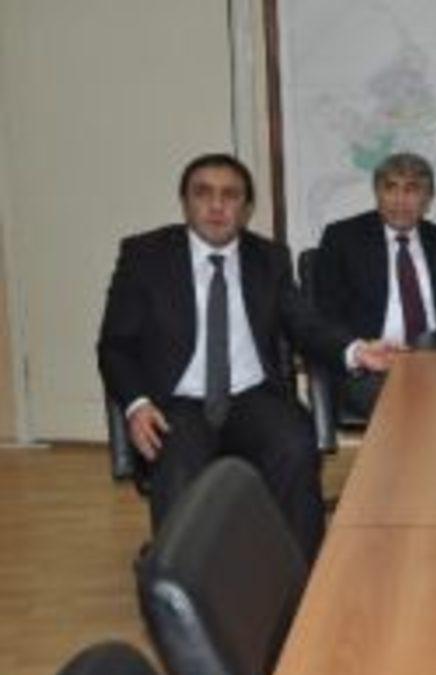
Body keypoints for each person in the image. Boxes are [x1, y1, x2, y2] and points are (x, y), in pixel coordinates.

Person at [97, 153, 393, 562]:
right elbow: (115, 345)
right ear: (184, 202)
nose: (217, 206)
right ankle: (181, 583)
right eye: (203, 193)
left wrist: (355, 350)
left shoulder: (268, 257)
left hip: (253, 398)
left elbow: (304, 323)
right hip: (177, 403)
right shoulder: (145, 257)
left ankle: (300, 576)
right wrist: (136, 404)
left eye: (230, 195)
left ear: (247, 208)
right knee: (178, 462)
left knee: (294, 444)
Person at [315, 152, 436, 417]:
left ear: (428, 199)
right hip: (371, 368)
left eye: (412, 189)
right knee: (418, 404)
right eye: (390, 188)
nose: (400, 200)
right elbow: (325, 316)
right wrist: (360, 353)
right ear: (377, 194)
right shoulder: (342, 239)